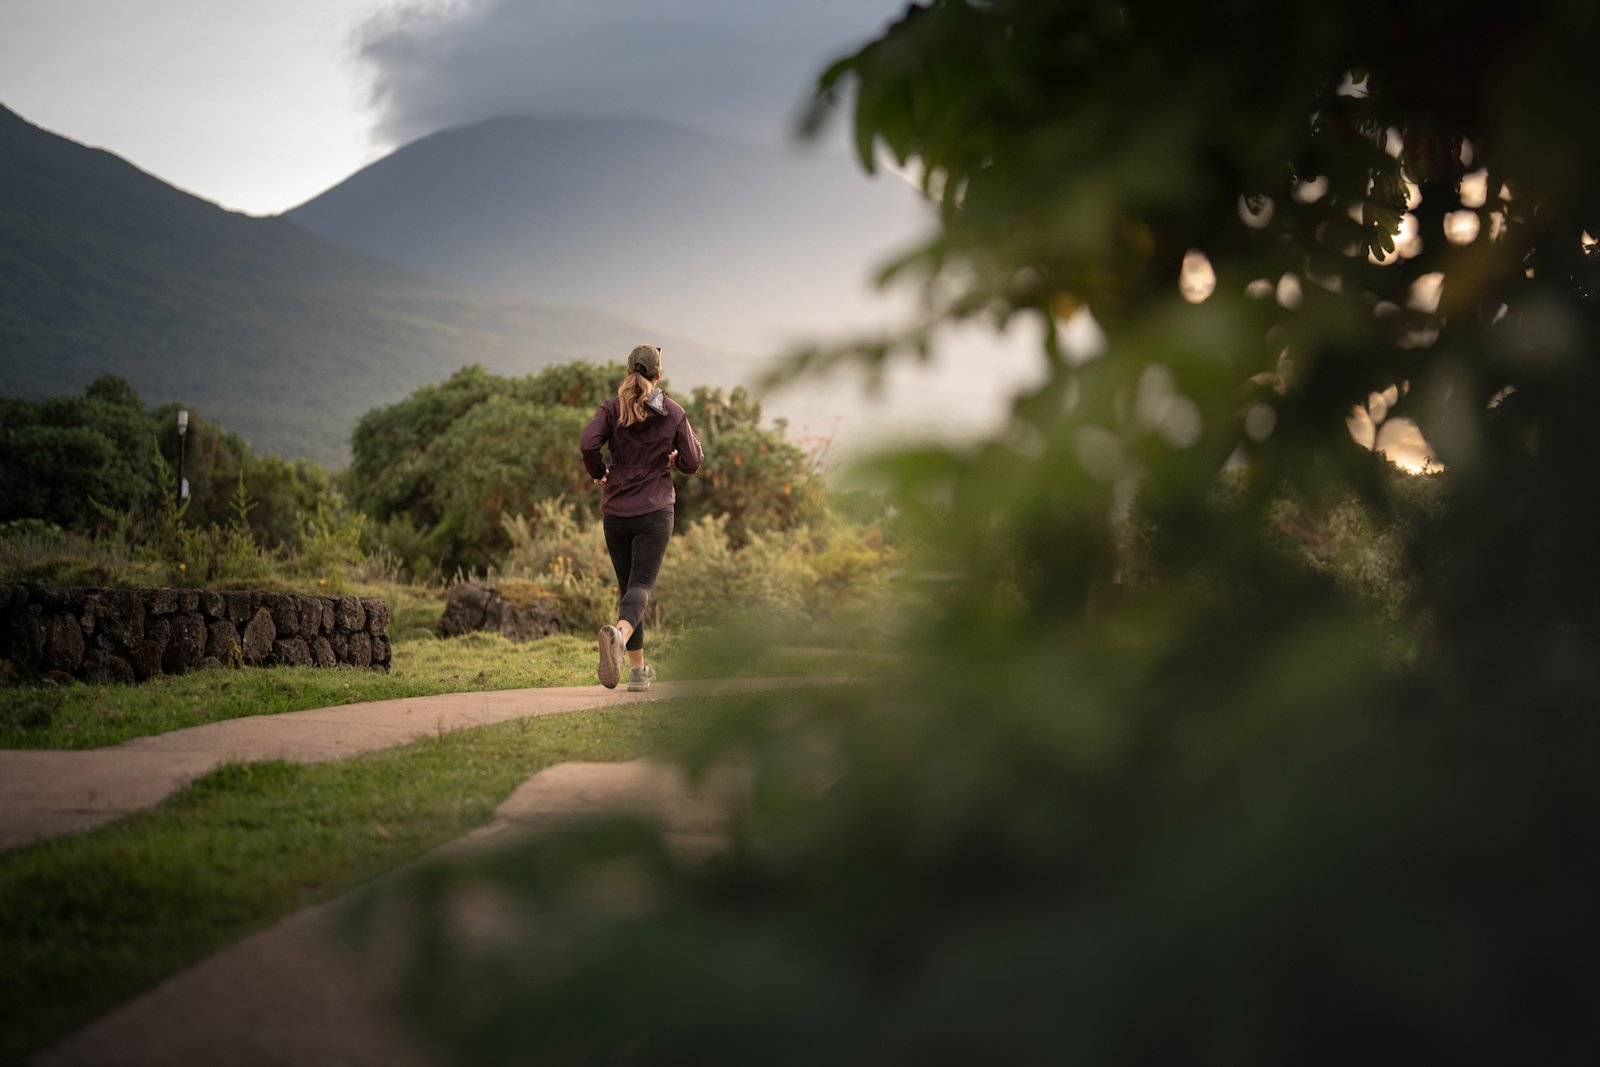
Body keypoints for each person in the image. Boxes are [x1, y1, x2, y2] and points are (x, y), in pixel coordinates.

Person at [580, 344, 704, 690]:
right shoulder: (672, 411)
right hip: (654, 510)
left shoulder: (611, 408)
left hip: (616, 511)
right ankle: (619, 637)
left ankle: (637, 672)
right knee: (641, 586)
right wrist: (676, 460)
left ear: (628, 371)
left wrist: (599, 472)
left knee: (629, 590)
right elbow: (694, 461)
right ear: (658, 374)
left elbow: (588, 443)